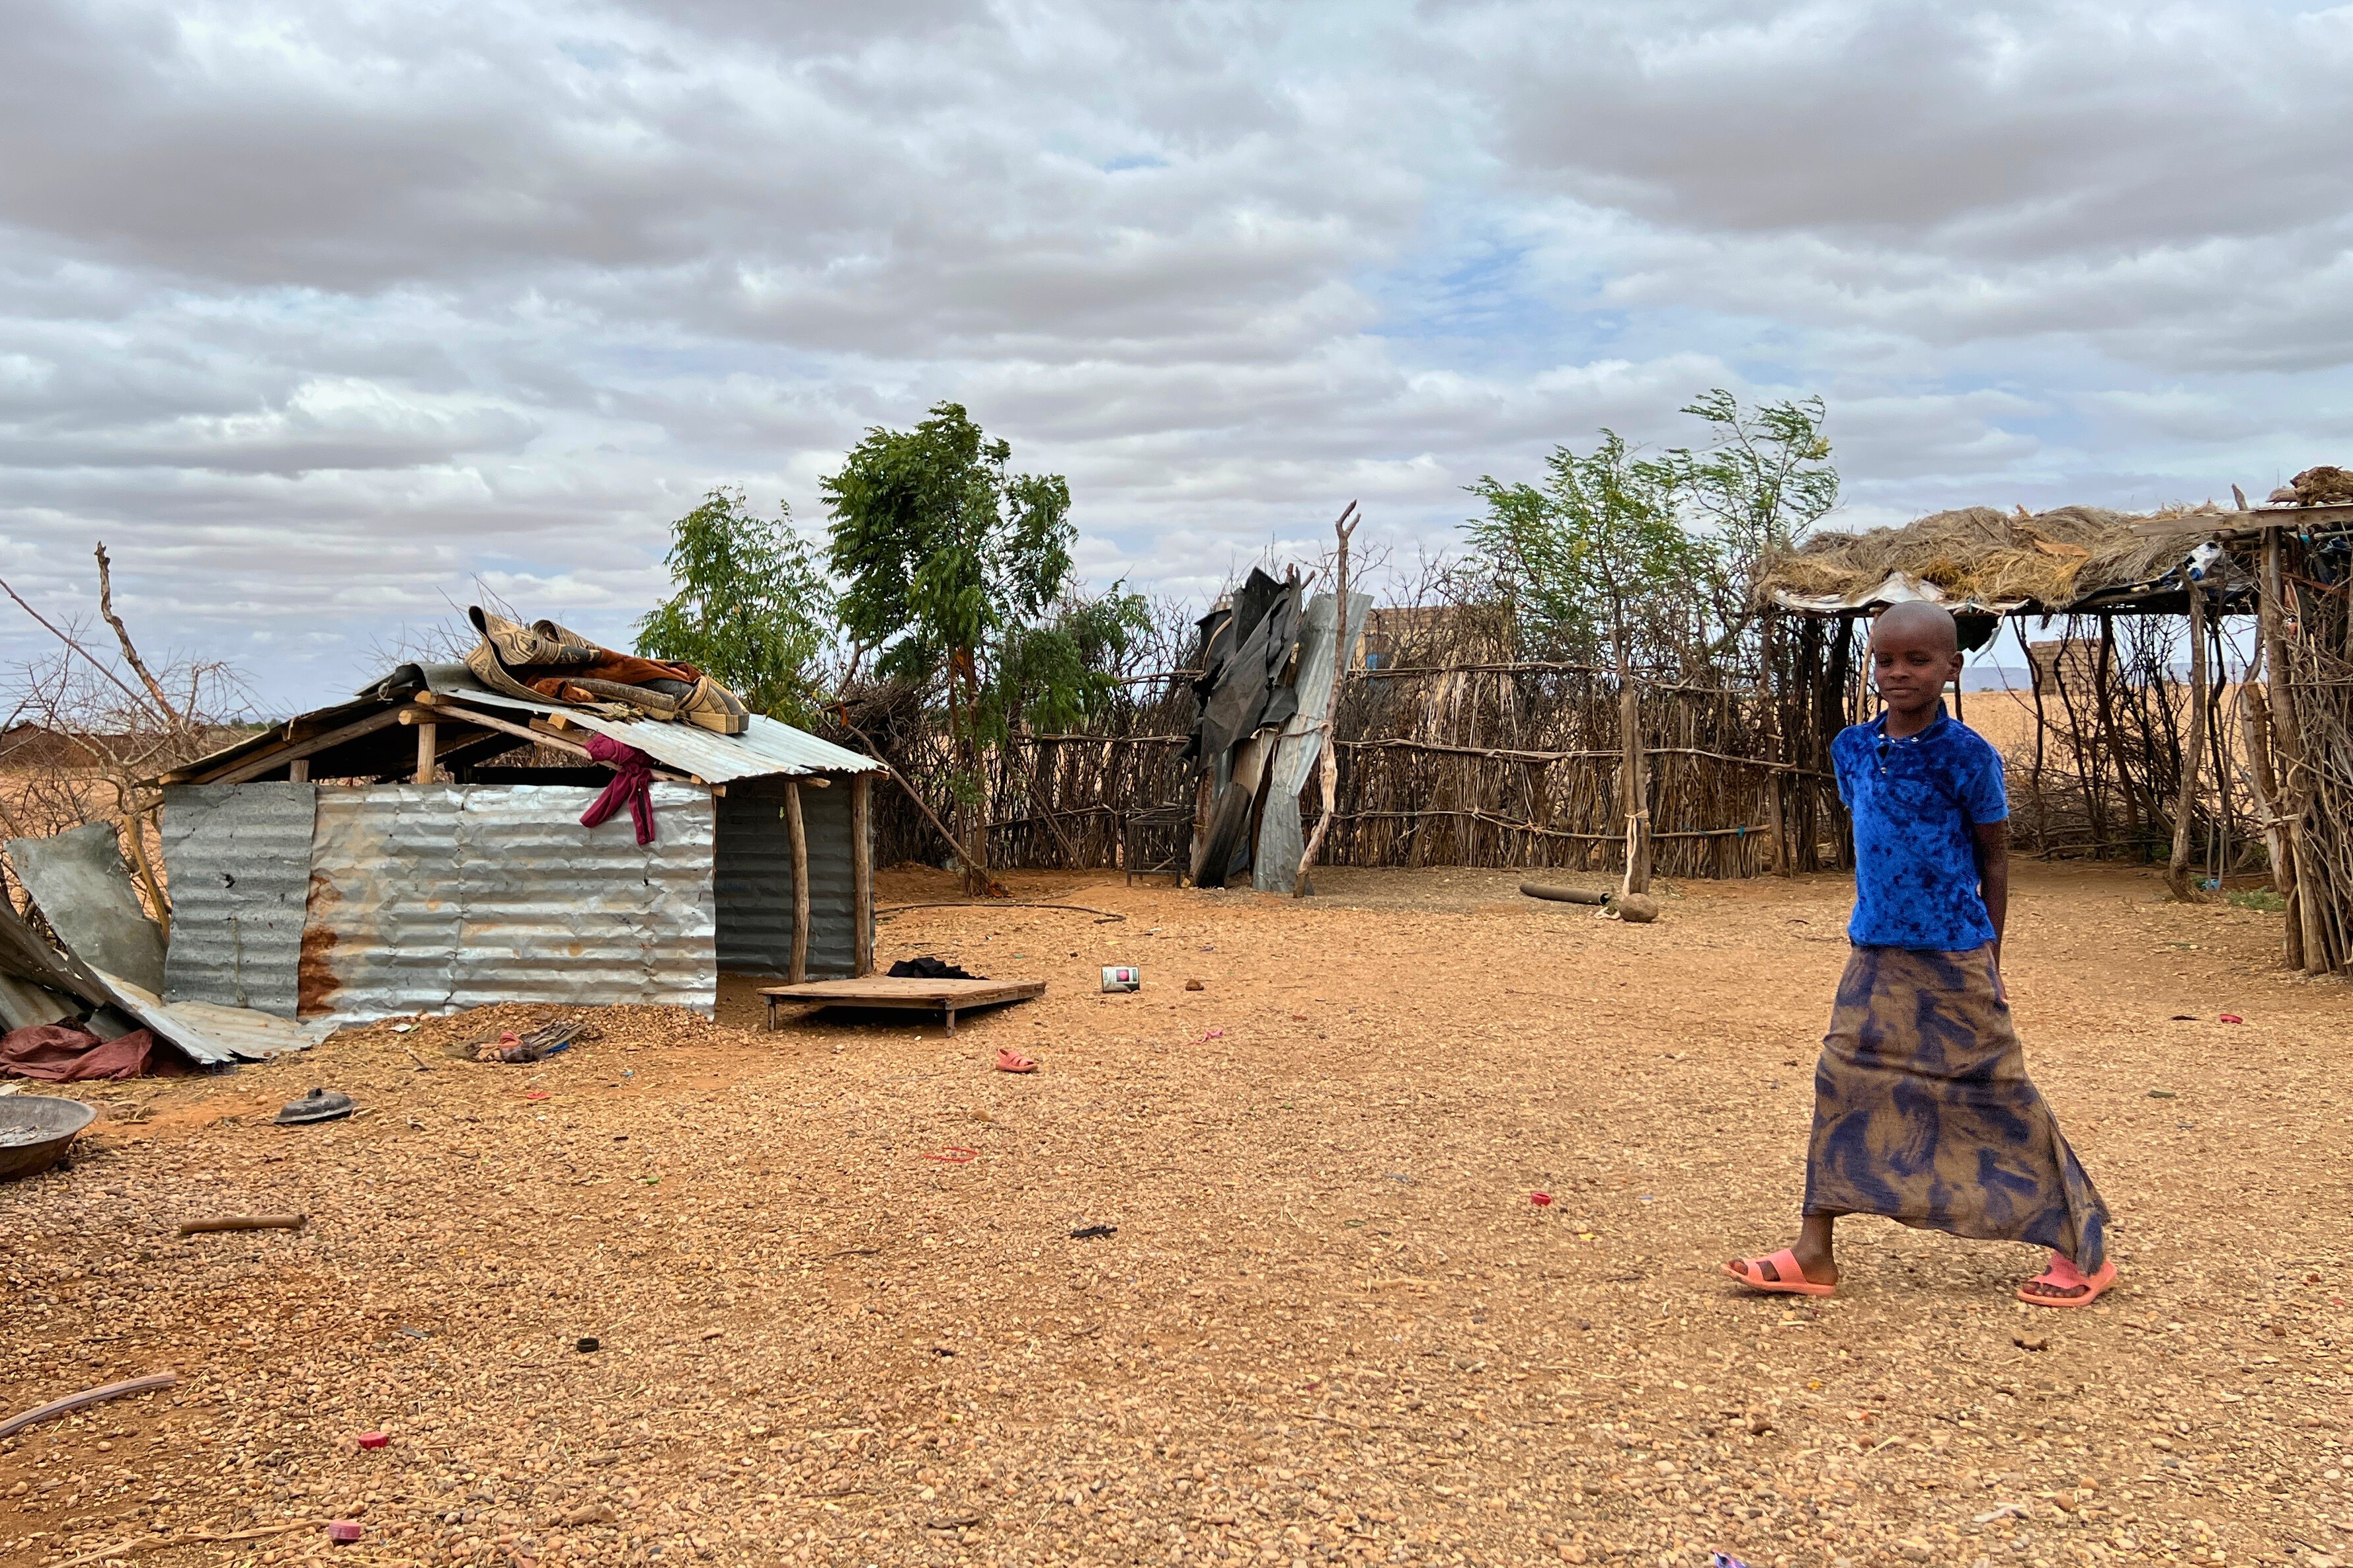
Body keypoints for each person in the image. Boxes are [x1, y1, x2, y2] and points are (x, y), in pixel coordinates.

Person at [1723, 601, 2116, 1307]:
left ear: (1951, 667)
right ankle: (1814, 1252)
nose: (1898, 672)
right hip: (1872, 950)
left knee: (1995, 1091)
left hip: (1954, 951)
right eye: (1885, 660)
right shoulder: (1852, 748)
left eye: (1917, 660)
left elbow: (1994, 859)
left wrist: (1992, 954)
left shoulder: (1967, 755)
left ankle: (2080, 1248)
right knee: (1839, 1081)